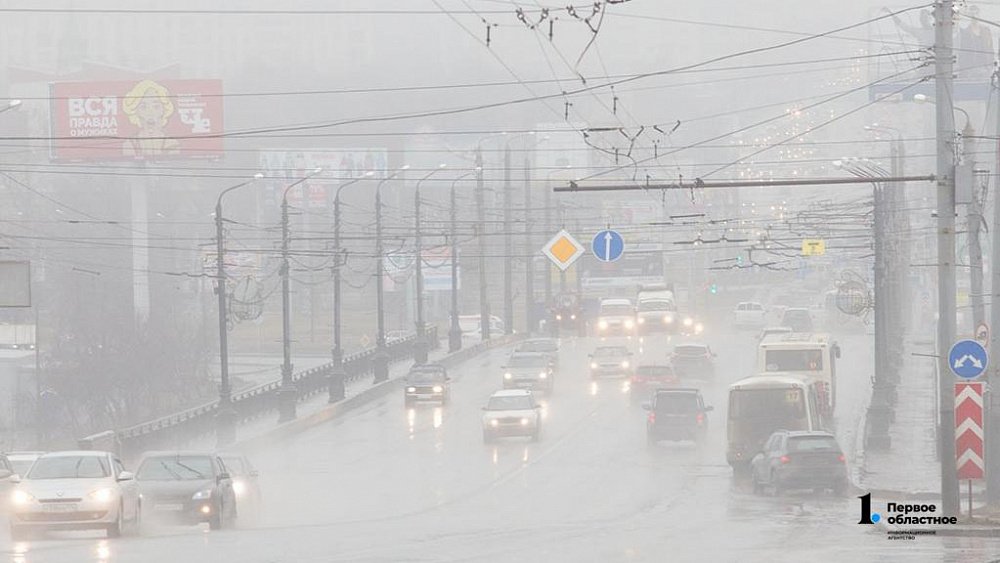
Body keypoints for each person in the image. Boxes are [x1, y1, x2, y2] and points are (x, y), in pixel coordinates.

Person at [121, 79, 180, 157]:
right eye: (143, 107)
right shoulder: (130, 144)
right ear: (135, 110)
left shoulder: (172, 143)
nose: (150, 112)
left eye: (156, 106)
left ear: (164, 109)